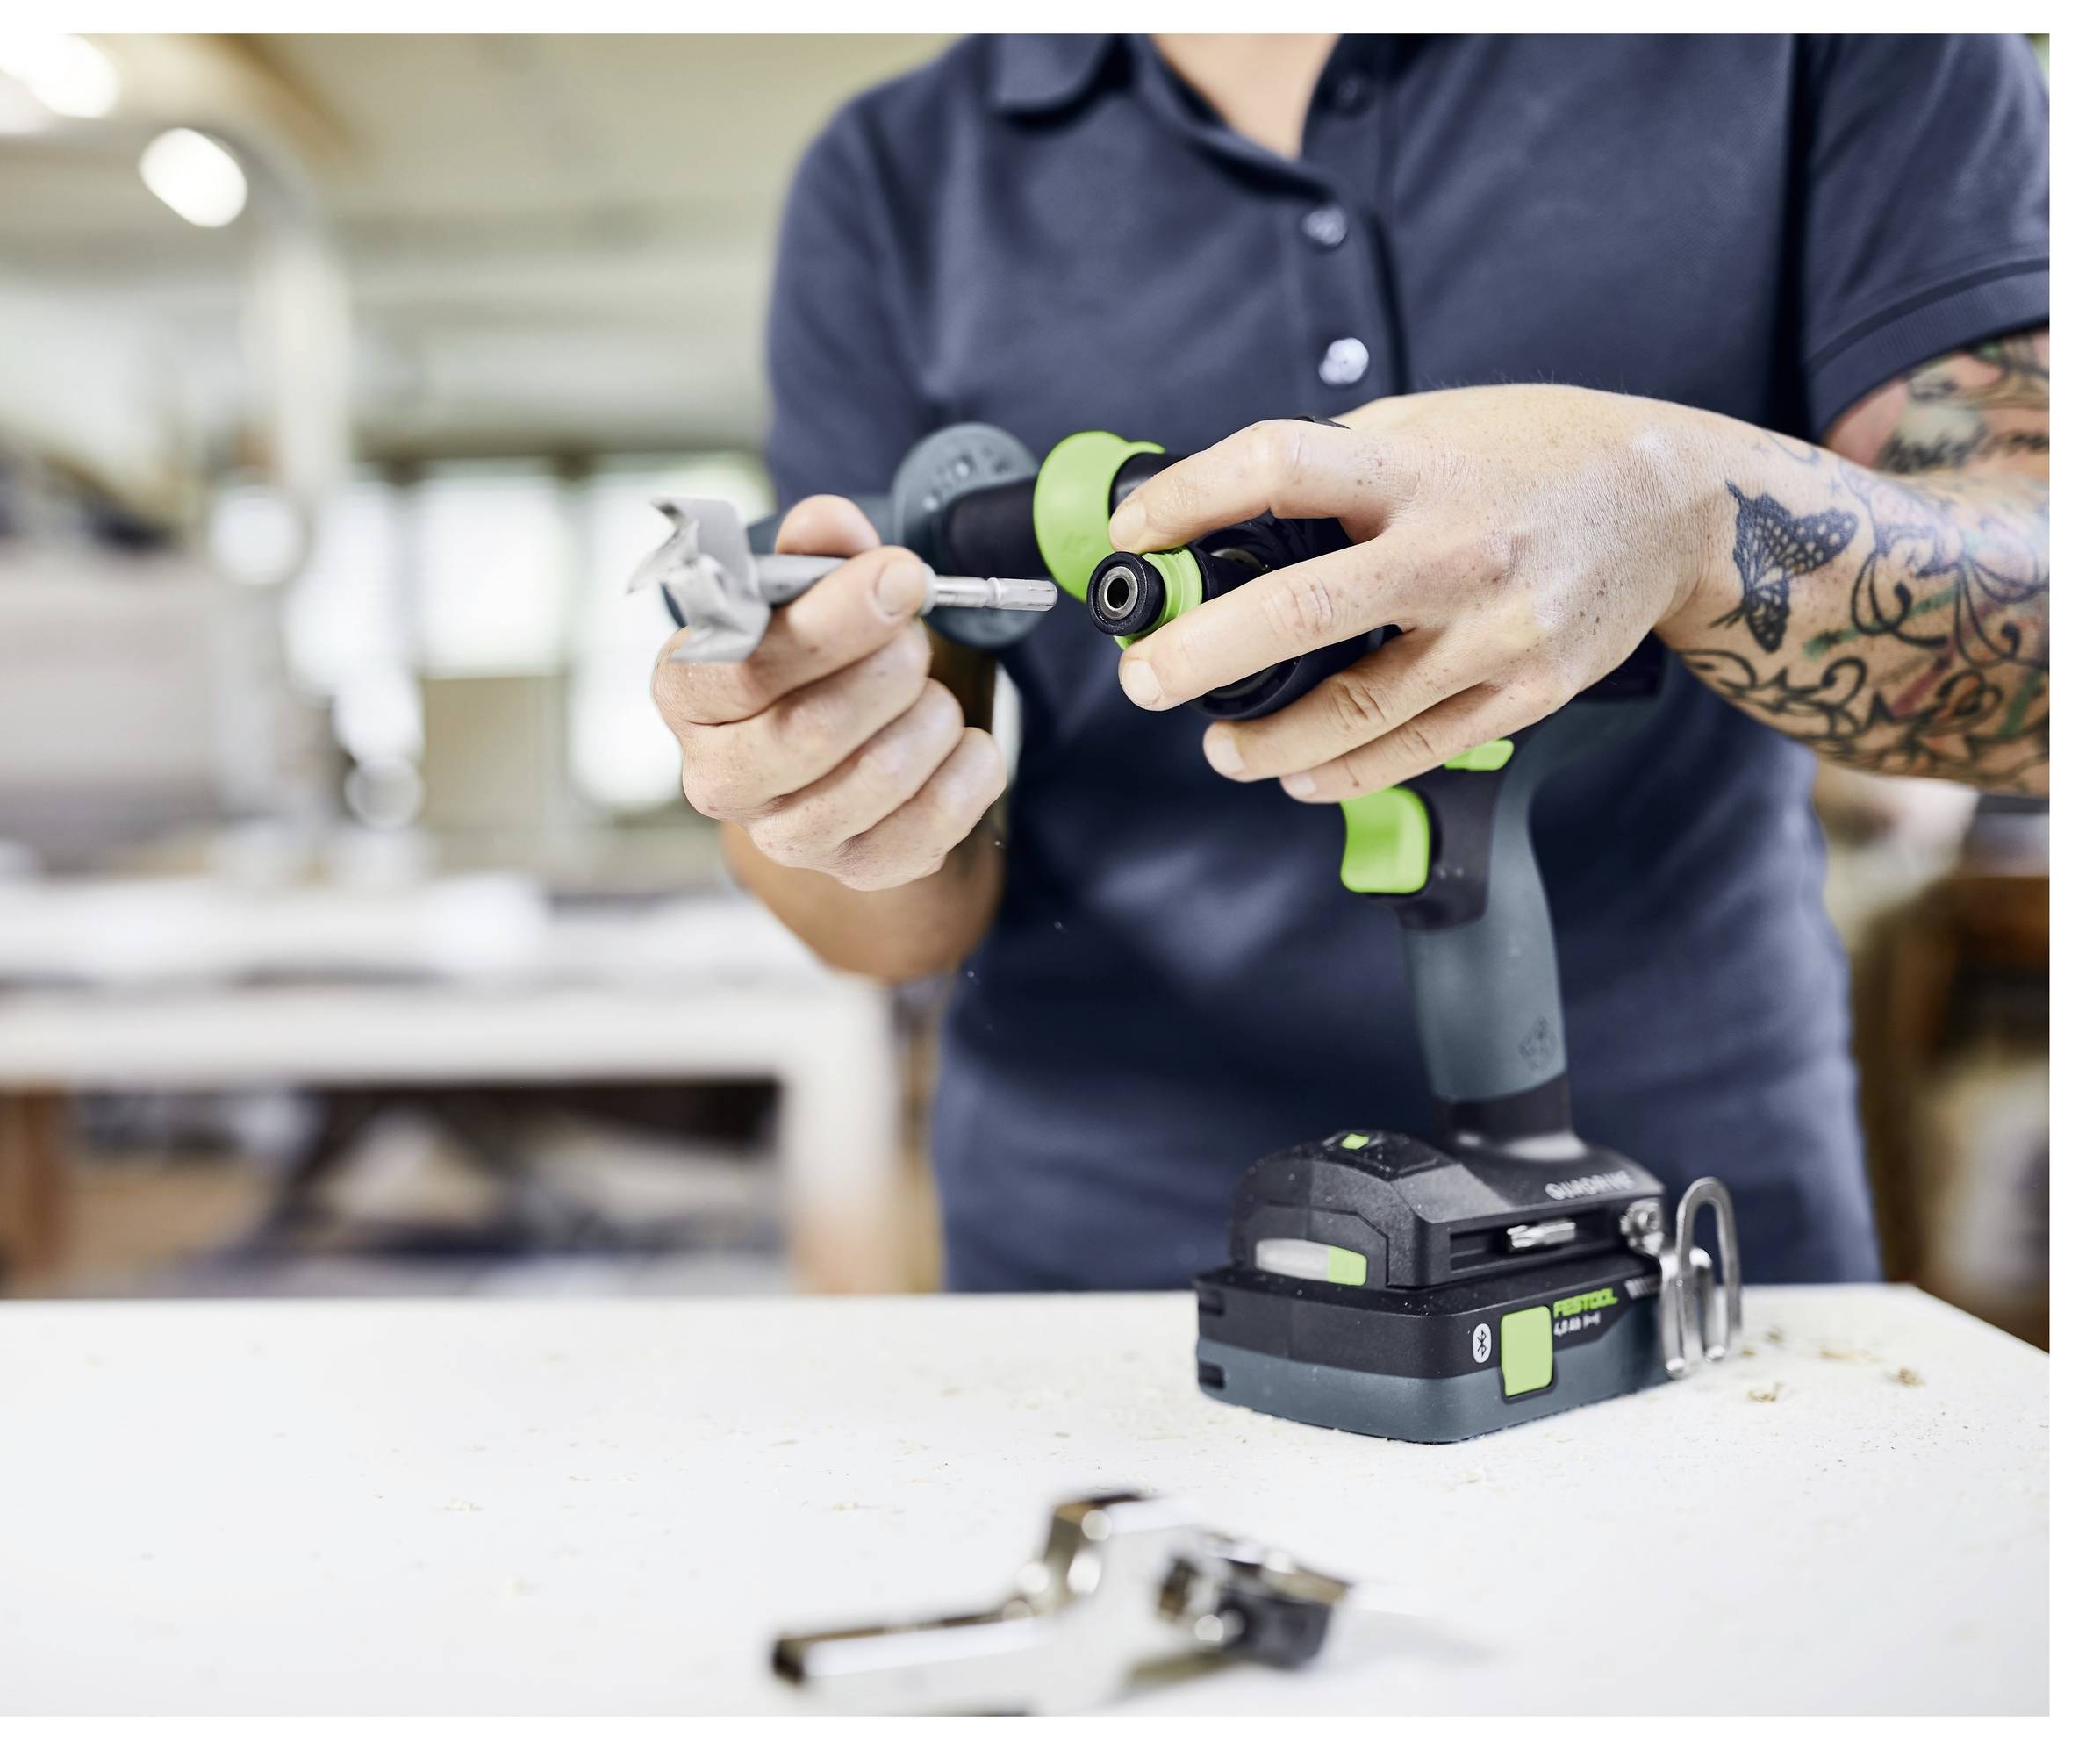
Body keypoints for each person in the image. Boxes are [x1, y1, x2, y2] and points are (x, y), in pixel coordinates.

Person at [649, 34, 2049, 1289]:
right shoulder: (895, 176)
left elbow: (2051, 687)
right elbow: (892, 911)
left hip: (1685, 1232)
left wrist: (1681, 512)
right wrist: (804, 772)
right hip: (1106, 1266)